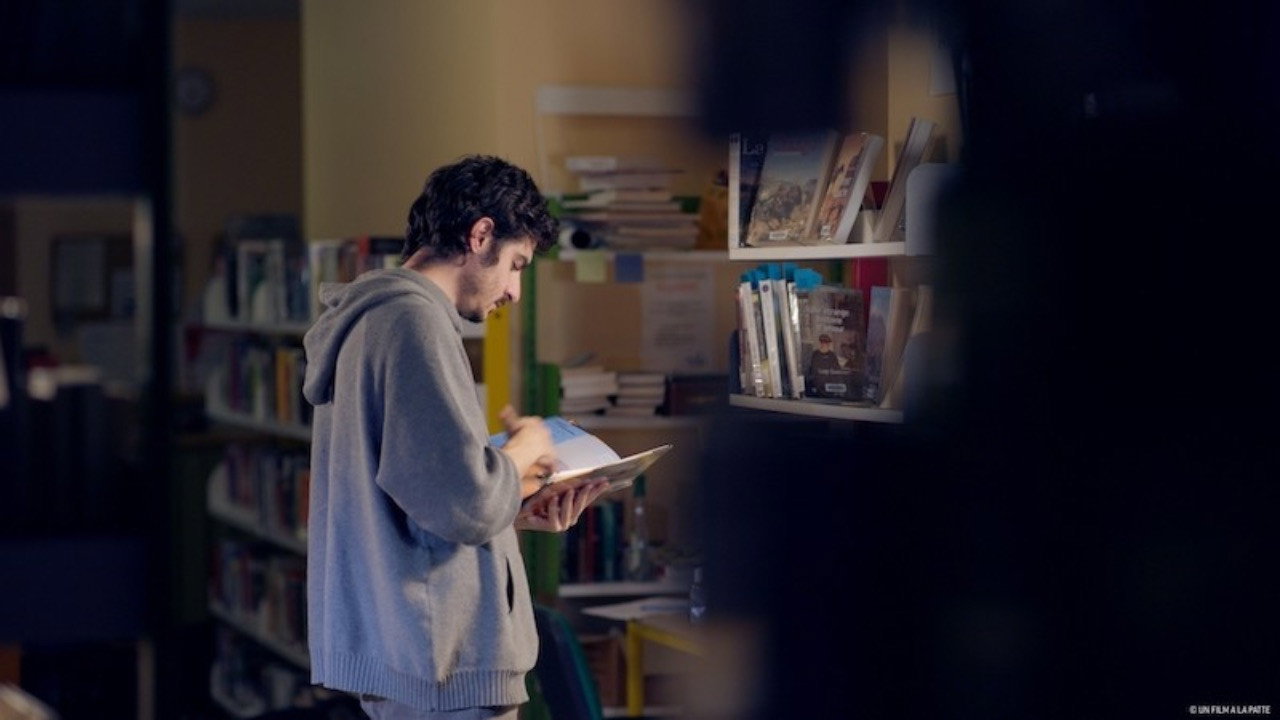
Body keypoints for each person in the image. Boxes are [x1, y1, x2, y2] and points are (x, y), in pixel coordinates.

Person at [301, 155, 608, 720]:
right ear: (480, 235)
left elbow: (418, 498)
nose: (514, 291)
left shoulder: (373, 322)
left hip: (412, 657)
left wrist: (513, 508)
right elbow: (465, 503)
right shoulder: (413, 323)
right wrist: (527, 447)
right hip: (443, 665)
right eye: (516, 265)